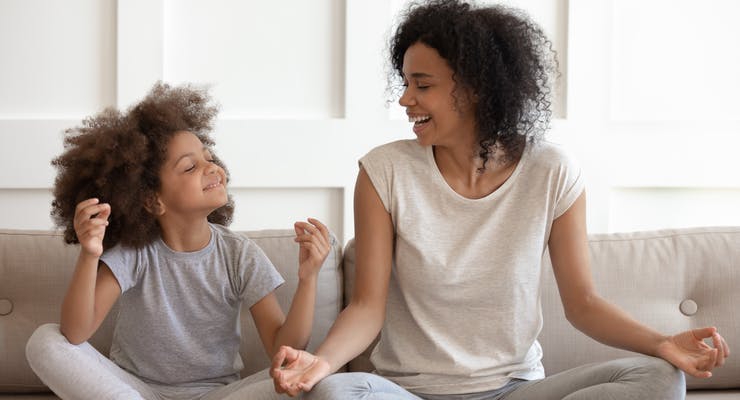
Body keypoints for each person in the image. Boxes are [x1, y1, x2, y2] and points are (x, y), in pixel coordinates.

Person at [270, 1, 730, 399]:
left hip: (517, 389)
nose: (406, 99)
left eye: (422, 84)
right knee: (336, 390)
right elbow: (367, 308)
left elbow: (584, 303)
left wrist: (662, 343)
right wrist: (322, 363)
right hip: (407, 391)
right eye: (406, 83)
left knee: (656, 378)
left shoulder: (553, 172)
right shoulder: (383, 171)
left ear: (476, 88)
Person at [25, 82, 332, 400]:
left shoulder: (240, 254)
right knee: (45, 340)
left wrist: (308, 278)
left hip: (217, 395)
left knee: (303, 378)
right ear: (151, 200)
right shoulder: (135, 254)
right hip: (136, 391)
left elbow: (283, 351)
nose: (212, 168)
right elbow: (76, 332)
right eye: (190, 166)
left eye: (209, 158)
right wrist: (89, 255)